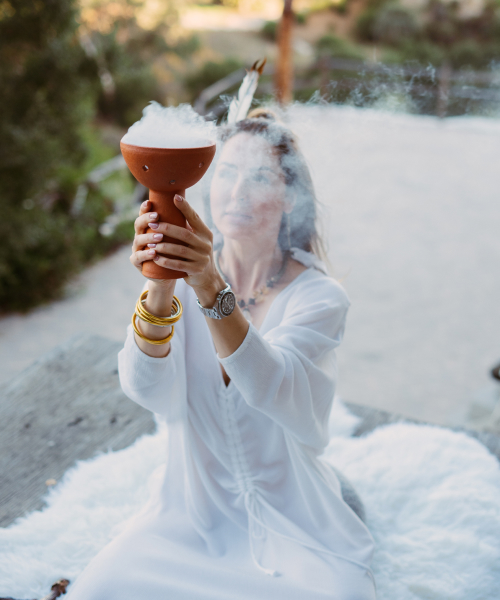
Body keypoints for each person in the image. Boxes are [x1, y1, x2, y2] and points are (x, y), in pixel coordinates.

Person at [66, 109, 376, 599]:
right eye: (227, 173)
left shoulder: (319, 298)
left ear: (291, 197)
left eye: (259, 178)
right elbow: (146, 390)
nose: (237, 192)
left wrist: (210, 284)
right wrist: (161, 284)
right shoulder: (184, 284)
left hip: (293, 520)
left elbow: (268, 387)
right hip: (188, 516)